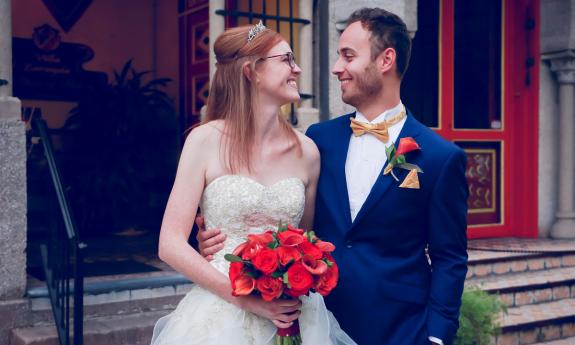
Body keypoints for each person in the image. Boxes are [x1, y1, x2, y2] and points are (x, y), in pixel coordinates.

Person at [198, 8, 469, 345]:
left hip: (399, 328)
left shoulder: (441, 157)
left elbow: (450, 257)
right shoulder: (319, 140)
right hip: (317, 321)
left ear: (386, 60)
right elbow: (292, 223)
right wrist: (218, 237)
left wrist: (437, 337)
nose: (336, 67)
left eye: (348, 56)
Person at [150, 22, 356, 345]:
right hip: (221, 311)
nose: (297, 69)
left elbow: (303, 239)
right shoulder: (203, 141)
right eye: (286, 59)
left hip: (295, 315)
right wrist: (244, 299)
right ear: (252, 71)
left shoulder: (308, 153)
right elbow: (170, 243)